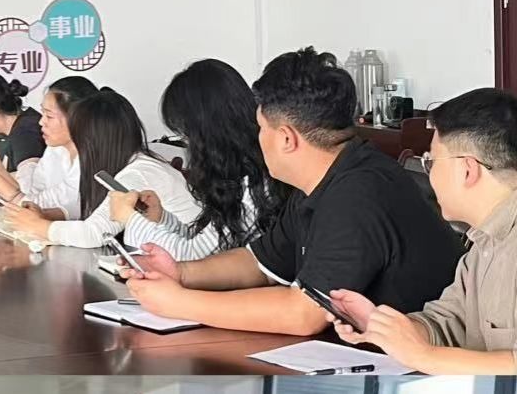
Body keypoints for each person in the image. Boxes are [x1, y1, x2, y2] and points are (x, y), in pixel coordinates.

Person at [121, 48, 463, 336]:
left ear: (287, 138)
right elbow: (258, 262)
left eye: (261, 128)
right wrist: (181, 273)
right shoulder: (320, 179)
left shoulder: (358, 192)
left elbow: (304, 314)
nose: (257, 138)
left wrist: (179, 303)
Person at [328, 88, 517, 375]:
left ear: (468, 170)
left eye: (430, 161)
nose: (429, 173)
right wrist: (381, 326)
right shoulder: (482, 245)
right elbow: (447, 322)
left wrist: (424, 356)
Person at [105, 60, 291, 260]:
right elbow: (207, 244)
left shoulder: (258, 182)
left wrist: (131, 219)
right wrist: (162, 219)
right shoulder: (240, 175)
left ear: (206, 133)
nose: (188, 146)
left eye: (187, 135)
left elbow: (194, 257)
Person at [6, 86, 201, 248]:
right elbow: (91, 211)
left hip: (193, 261)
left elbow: (95, 233)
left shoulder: (138, 172)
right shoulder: (122, 165)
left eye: (77, 138)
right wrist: (46, 216)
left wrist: (40, 226)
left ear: (93, 140)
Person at [0, 76, 98, 217]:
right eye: (43, 113)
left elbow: (33, 208)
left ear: (77, 118)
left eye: (49, 116)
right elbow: (29, 193)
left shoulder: (91, 158)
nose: (41, 122)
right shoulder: (55, 150)